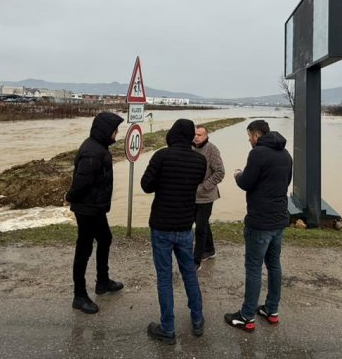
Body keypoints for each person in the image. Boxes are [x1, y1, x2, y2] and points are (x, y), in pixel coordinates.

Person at [140, 118, 208, 344]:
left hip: (161, 226)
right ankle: (197, 319)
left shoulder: (161, 156)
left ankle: (167, 328)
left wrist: (162, 179)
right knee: (189, 272)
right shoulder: (199, 161)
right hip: (185, 226)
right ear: (190, 136)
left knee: (164, 277)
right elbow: (194, 183)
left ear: (172, 133)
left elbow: (146, 186)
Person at [225, 119, 293, 332]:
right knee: (274, 265)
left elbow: (247, 182)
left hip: (260, 221)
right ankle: (271, 310)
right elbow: (285, 182)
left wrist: (237, 175)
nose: (248, 140)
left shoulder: (258, 153)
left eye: (249, 136)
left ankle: (247, 316)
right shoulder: (285, 154)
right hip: (279, 218)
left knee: (253, 268)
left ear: (256, 135)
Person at [65, 111, 125, 314]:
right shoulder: (93, 151)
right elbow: (81, 182)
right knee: (84, 249)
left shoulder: (100, 147)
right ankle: (79, 295)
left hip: (95, 207)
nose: (116, 133)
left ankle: (103, 281)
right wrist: (70, 196)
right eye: (115, 130)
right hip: (86, 208)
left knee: (105, 239)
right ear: (105, 130)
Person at [192, 124, 225, 270]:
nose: (196, 137)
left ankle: (196, 260)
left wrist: (204, 186)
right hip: (191, 195)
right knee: (203, 223)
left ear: (206, 136)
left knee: (199, 227)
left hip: (206, 195)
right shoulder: (189, 148)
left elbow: (220, 172)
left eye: (200, 135)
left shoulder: (212, 149)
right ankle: (210, 250)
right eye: (195, 134)